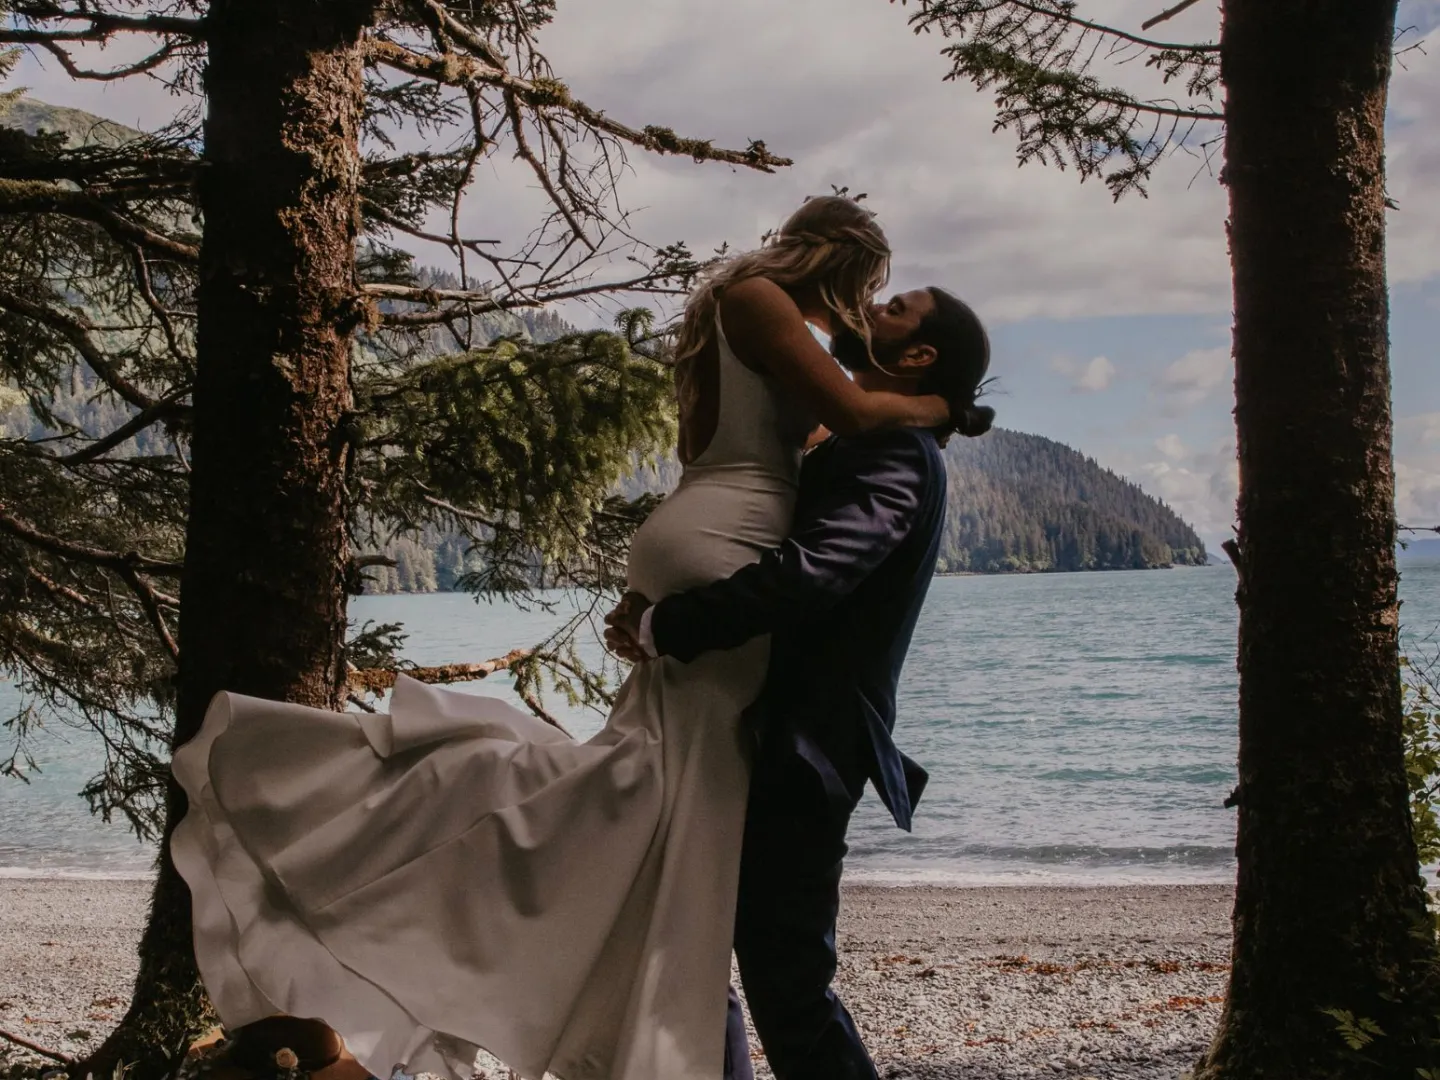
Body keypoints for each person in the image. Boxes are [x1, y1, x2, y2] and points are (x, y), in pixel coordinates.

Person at [169, 195, 955, 1080]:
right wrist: (937, 406)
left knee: (654, 827)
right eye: (873, 290)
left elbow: (747, 449)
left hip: (699, 535)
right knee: (674, 843)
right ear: (841, 257)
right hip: (721, 556)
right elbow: (846, 433)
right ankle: (451, 861)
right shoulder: (795, 332)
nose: (864, 310)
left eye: (891, 305)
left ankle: (494, 899)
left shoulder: (734, 319)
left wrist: (661, 606)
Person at [604, 286, 993, 1080]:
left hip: (803, 750)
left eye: (893, 308)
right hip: (760, 734)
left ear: (918, 356)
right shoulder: (863, 440)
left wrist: (667, 627)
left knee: (789, 987)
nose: (866, 309)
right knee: (695, 938)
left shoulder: (894, 458)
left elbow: (814, 574)